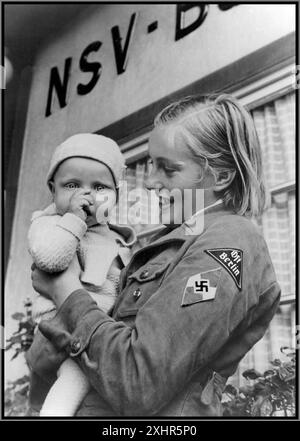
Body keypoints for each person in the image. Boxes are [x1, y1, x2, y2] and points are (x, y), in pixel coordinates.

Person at [27, 94, 281, 417]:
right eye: (151, 164)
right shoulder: (181, 236)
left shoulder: (228, 245)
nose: (149, 182)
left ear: (221, 176)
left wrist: (65, 292)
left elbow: (139, 380)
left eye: (169, 169)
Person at [27, 133, 136, 416]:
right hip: (60, 327)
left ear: (117, 195)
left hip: (97, 333)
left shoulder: (116, 237)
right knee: (75, 380)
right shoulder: (49, 223)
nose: (85, 195)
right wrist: (74, 220)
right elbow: (50, 260)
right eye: (72, 185)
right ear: (53, 189)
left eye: (99, 186)